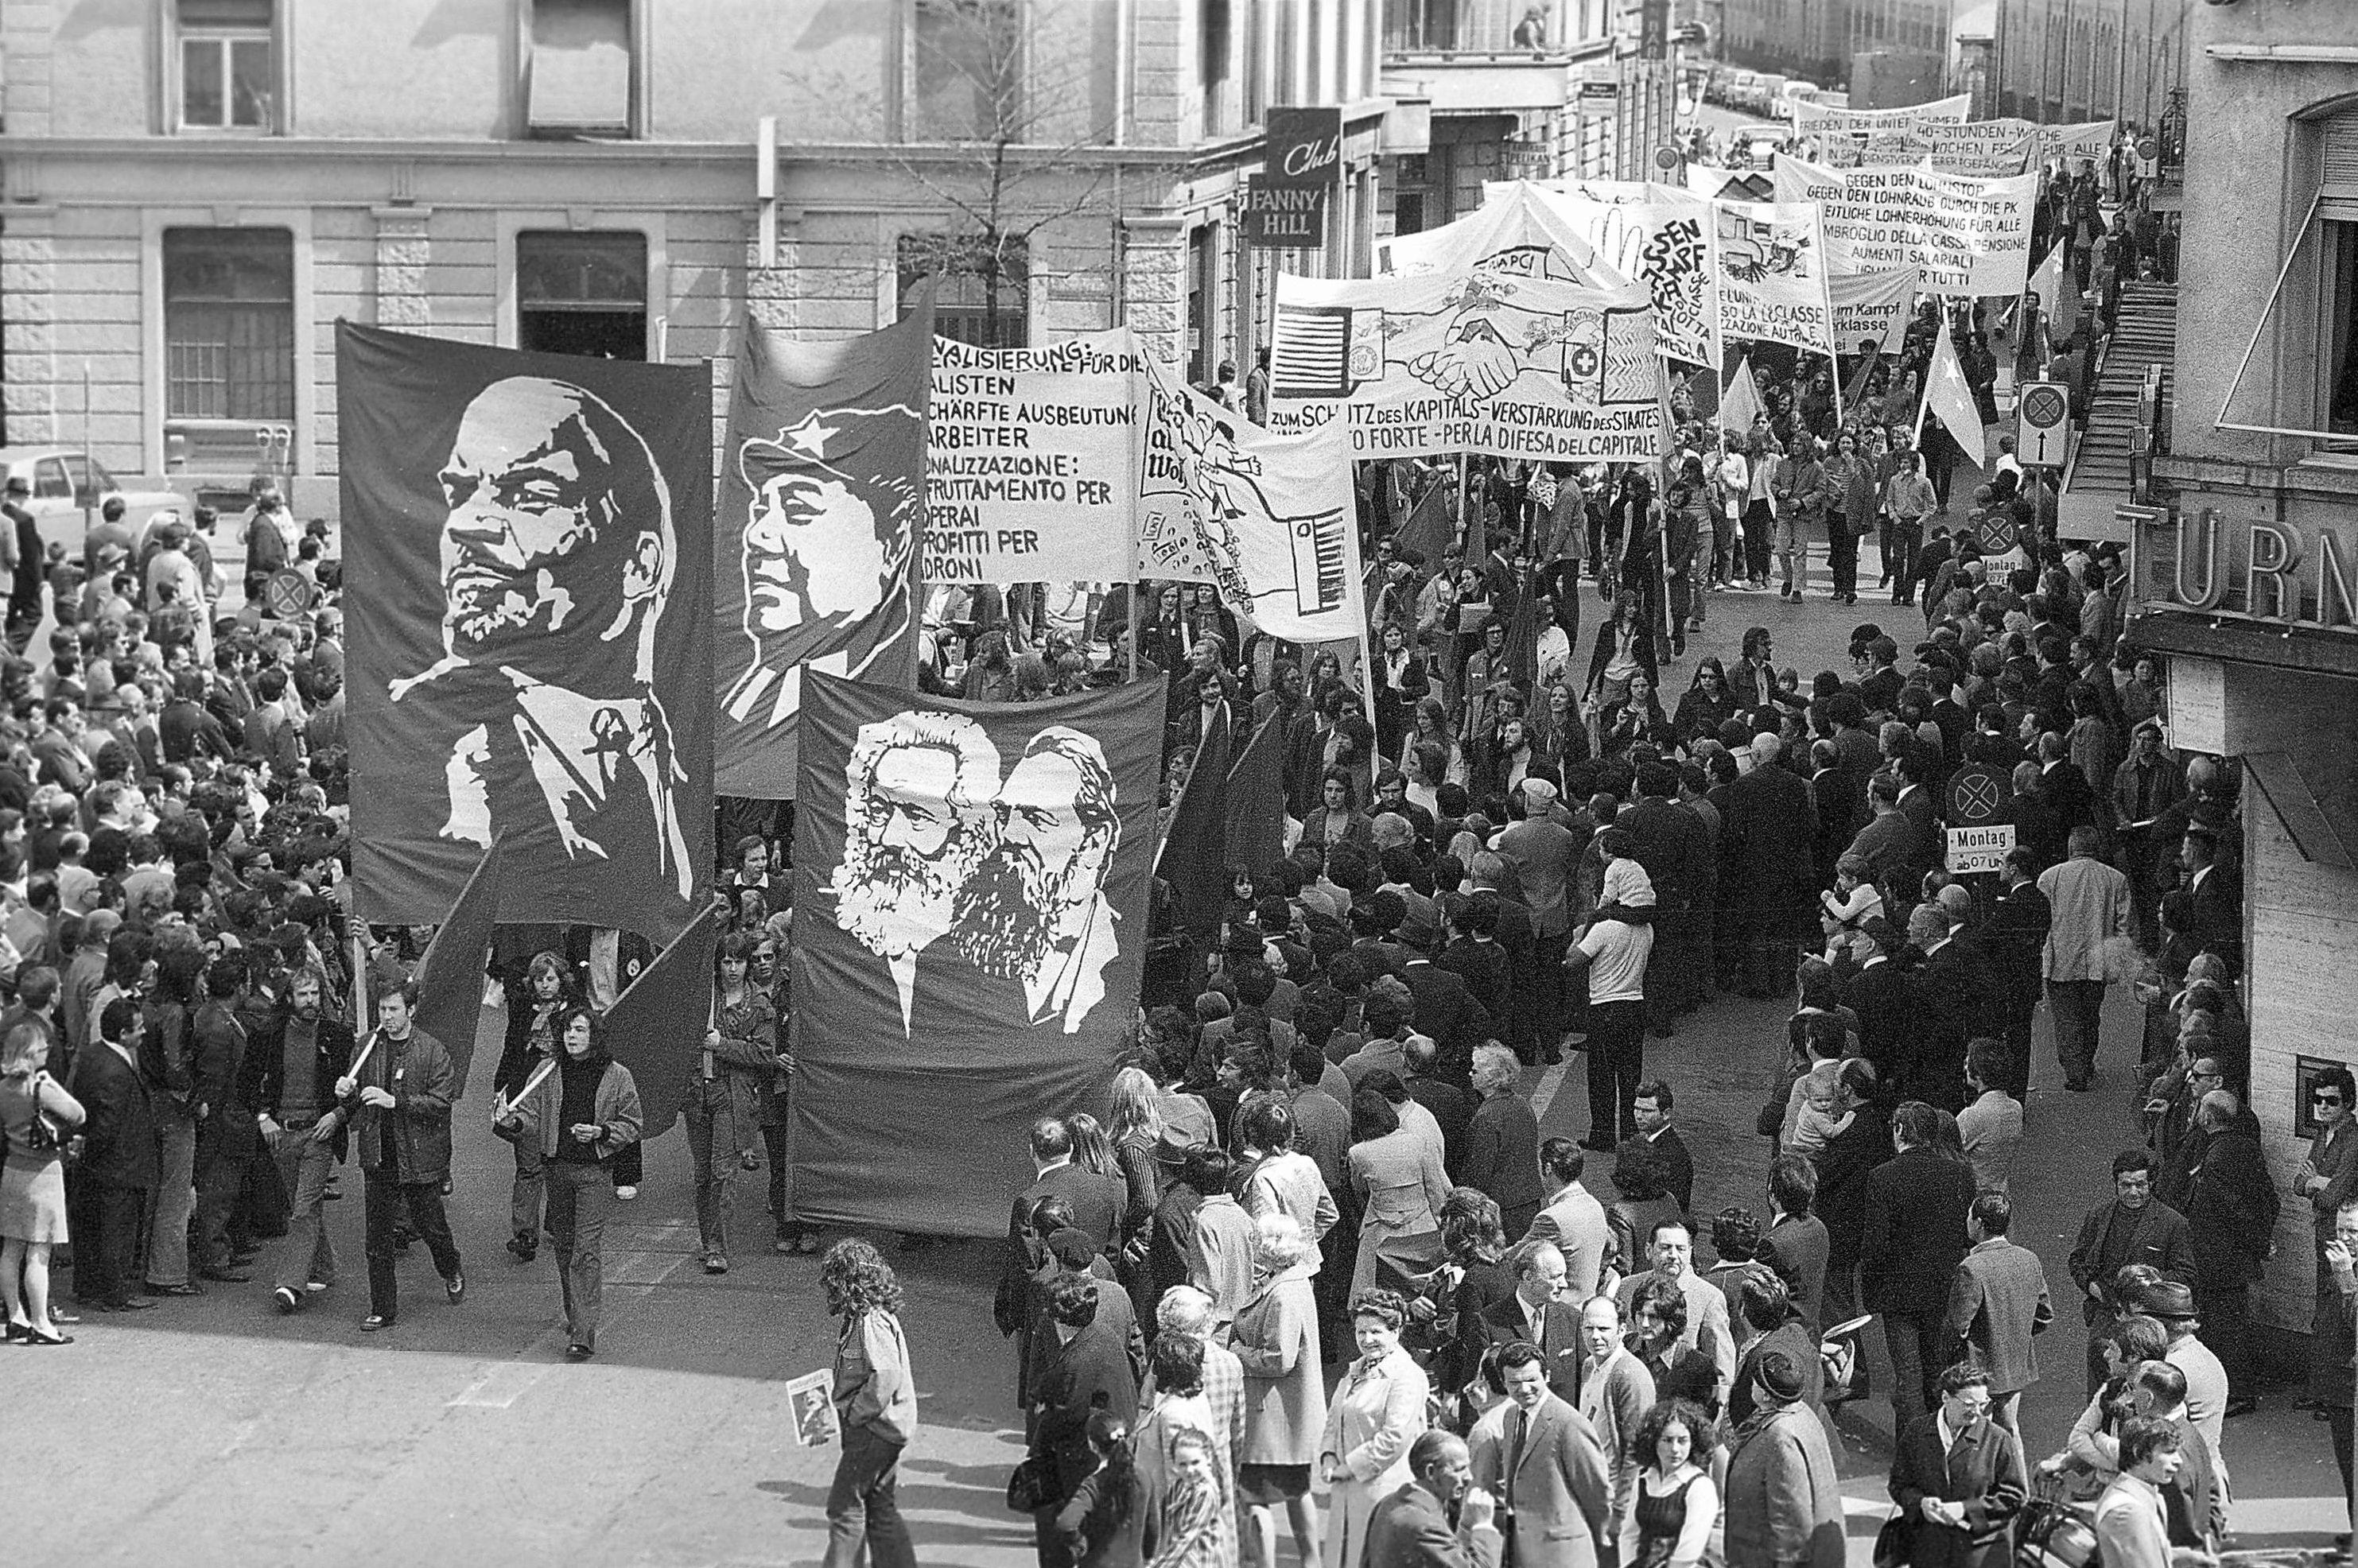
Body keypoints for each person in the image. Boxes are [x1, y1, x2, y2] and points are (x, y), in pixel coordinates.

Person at [491, 1005, 641, 1360]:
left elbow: (633, 1123)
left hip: (593, 1173)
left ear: (594, 1035)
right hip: (557, 1171)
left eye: (578, 1030)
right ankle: (576, 1316)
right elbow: (527, 1118)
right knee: (564, 1249)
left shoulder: (617, 1075)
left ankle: (584, 1333)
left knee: (585, 1251)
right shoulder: (547, 1071)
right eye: (567, 1031)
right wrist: (509, 1121)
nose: (571, 1037)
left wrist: (602, 1132)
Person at [331, 984, 464, 1333]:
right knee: (377, 1238)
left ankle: (450, 1267)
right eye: (382, 1011)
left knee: (431, 1226)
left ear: (411, 1010)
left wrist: (397, 1102)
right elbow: (355, 1102)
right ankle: (382, 1309)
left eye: (393, 1010)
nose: (386, 1018)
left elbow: (441, 1104)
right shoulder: (366, 1047)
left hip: (418, 1157)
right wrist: (347, 1094)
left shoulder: (432, 1050)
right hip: (378, 1156)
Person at [1859, 1100, 1975, 1434]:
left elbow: (1875, 1244)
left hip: (1898, 1291)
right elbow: (1963, 1232)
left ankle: (1914, 1447)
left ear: (1899, 1130)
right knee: (1936, 1368)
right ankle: (1942, 1438)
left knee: (1908, 1374)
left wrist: (1873, 1288)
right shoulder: (1960, 1174)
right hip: (1942, 1286)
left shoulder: (1882, 1177)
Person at [252, 966, 355, 1313]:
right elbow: (247, 1082)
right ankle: (324, 1266)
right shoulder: (270, 1034)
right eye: (303, 995)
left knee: (304, 1209)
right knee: (303, 1207)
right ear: (290, 998)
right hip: (282, 1134)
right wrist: (264, 1117)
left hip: (319, 1134)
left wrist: (337, 1115)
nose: (310, 1001)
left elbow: (354, 1091)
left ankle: (290, 1284)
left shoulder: (337, 1036)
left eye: (314, 994)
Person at [814, 1237, 919, 1568]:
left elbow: (885, 1376)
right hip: (889, 1431)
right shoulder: (873, 1315)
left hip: (873, 1430)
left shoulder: (870, 1321)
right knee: (879, 1507)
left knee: (844, 1509)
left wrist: (856, 1412)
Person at [1233, 1213, 1326, 1568]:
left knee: (1253, 1499)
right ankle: (1310, 1561)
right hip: (1289, 1417)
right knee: (1296, 1493)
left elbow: (1279, 1359)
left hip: (1274, 1418)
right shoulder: (1292, 1282)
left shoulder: (1283, 1294)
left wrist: (1239, 1352)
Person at [1470, 1339, 1613, 1568]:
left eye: (1531, 1380)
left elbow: (1597, 1492)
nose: (1524, 1389)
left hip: (1564, 1554)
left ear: (1546, 1376)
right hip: (1523, 1551)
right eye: (1514, 1382)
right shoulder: (1510, 1418)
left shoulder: (1570, 1423)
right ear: (1504, 1383)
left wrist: (1598, 1547)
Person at [1319, 1289, 1433, 1568]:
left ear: (1396, 1331)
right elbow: (1335, 1418)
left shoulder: (1406, 1377)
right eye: (1361, 1332)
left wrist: (1349, 1468)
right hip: (1349, 1489)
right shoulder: (1355, 1371)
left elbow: (1394, 1438)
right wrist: (1328, 1457)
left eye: (1376, 1332)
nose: (1367, 1340)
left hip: (1387, 1490)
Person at [2069, 1149, 2197, 1395]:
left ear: (2151, 1183)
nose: (2133, 1192)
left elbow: (2187, 1274)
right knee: (2101, 1391)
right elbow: (2078, 1260)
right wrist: (2091, 1287)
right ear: (2115, 1184)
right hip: (2105, 1317)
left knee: (2140, 1390)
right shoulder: (2099, 1216)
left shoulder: (2172, 1223)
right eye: (2125, 1185)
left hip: (2148, 1324)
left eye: (2140, 1184)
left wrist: (2147, 1285)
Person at [1886, 1363, 2027, 1568]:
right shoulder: (1916, 1433)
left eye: (1983, 1403)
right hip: (1930, 1550)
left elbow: (2014, 1497)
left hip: (1981, 1550)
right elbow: (1898, 1485)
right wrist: (1920, 1504)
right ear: (1946, 1398)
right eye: (1969, 1404)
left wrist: (1964, 1509)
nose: (1977, 1412)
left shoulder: (1997, 1439)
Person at [1940, 1193, 2055, 1437]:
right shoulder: (2028, 1259)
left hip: (1977, 1370)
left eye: (1970, 1217)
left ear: (1979, 1223)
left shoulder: (1971, 1267)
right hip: (2014, 1366)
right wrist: (2015, 1335)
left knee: (1974, 1435)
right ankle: (2017, 1476)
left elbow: (1957, 1326)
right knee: (2010, 1431)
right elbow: (2044, 1315)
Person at [2, 1020, 85, 1343]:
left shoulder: (4, 1088)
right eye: (44, 1048)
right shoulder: (40, 1087)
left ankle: (15, 1317)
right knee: (40, 1252)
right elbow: (78, 1115)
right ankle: (41, 1323)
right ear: (32, 1052)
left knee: (11, 1248)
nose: (47, 1052)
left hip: (13, 1172)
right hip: (43, 1174)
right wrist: (54, 1084)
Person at [1723, 1349, 1845, 1568]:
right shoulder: (1801, 1413)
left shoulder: (1781, 1436)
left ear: (1766, 1394)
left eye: (1754, 1383)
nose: (1751, 1386)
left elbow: (1791, 1518)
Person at [2038, 825, 2133, 1091]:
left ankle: (2075, 1070)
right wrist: (2118, 963)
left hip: (2060, 962)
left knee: (2066, 1019)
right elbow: (2123, 925)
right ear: (2097, 848)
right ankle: (2085, 1061)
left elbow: (2041, 923)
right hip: (2097, 963)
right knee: (2090, 1015)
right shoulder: (2116, 879)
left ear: (2070, 848)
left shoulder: (2049, 878)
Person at [1576, 1293, 1655, 1551]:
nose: (1595, 1336)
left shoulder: (1630, 1375)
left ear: (1622, 1330)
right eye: (1589, 1328)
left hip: (1613, 1497)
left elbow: (1637, 1451)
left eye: (1604, 1329)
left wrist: (1620, 1512)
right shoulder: (1589, 1365)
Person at [1360, 1429, 1505, 1568]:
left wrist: (1466, 1527)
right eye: (1459, 1470)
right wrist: (1483, 1526)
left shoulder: (1388, 1503)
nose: (1469, 1477)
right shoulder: (1423, 1525)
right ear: (1430, 1472)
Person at [1621, 1397, 1719, 1568]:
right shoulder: (1644, 1478)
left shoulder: (1700, 1486)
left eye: (1682, 1441)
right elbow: (1629, 1535)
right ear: (1653, 1441)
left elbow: (1689, 1551)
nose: (1675, 1449)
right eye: (1667, 1440)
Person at [1462, 1043, 1542, 1238]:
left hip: (1502, 1208)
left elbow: (1478, 1171)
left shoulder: (1486, 1117)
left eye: (1475, 1071)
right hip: (1529, 1198)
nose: (1470, 1075)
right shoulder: (1522, 1104)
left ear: (1491, 1079)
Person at [2092, 1417, 2187, 1568]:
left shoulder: (2145, 1494)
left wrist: (2193, 1558)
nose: (2178, 1460)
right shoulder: (2128, 1512)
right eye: (2169, 1452)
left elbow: (2156, 1553)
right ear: (2139, 1453)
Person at [1528, 1137, 1614, 1301]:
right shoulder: (1595, 1206)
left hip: (1558, 1309)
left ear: (1547, 1169)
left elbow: (1519, 1260)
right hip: (1587, 1302)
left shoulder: (1551, 1218)